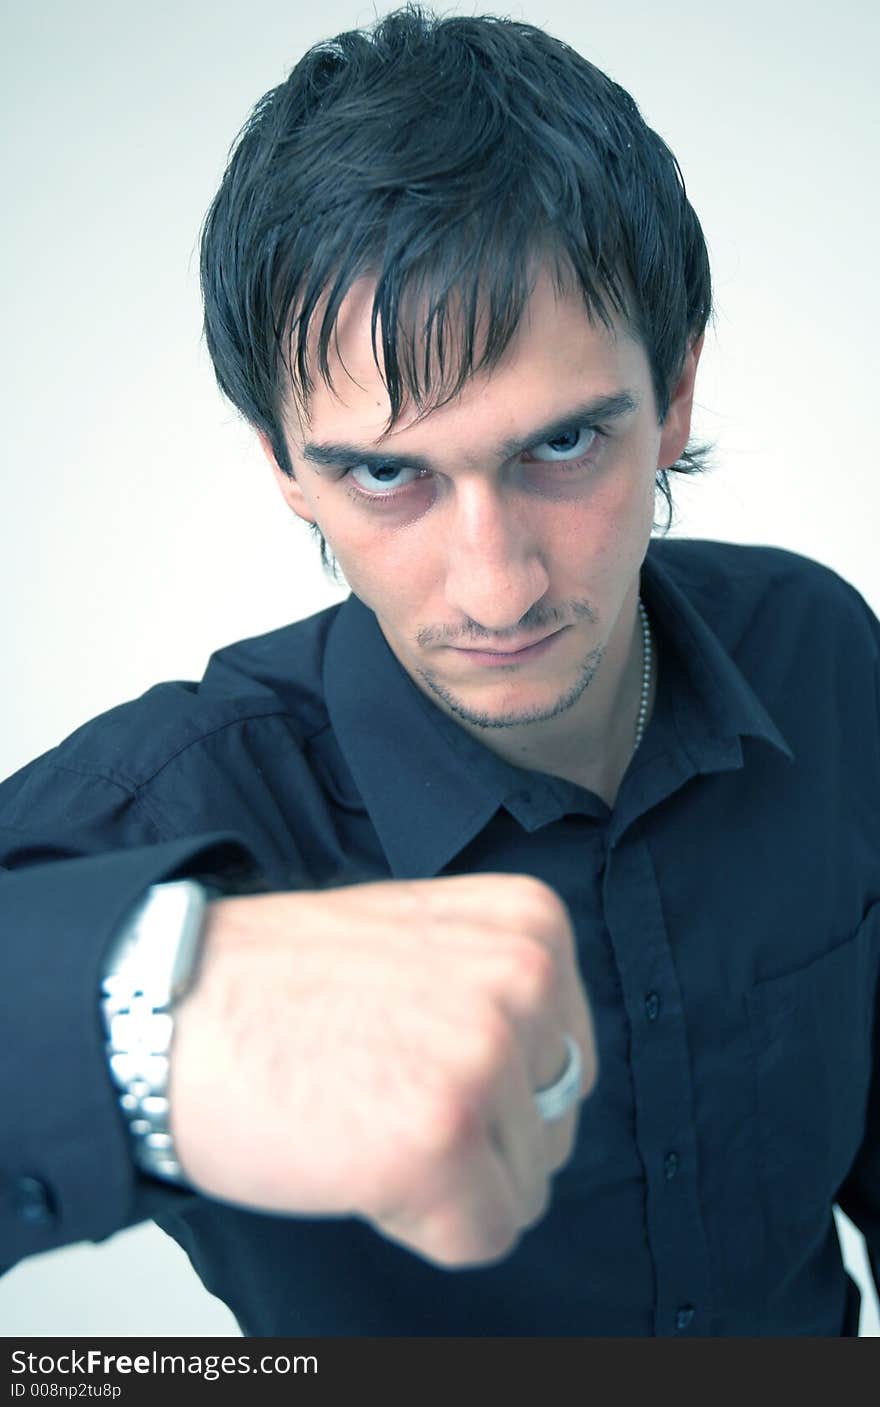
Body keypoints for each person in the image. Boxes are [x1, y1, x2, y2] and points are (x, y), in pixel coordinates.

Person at [2, 4, 878, 1337]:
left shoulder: (818, 648)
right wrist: (140, 1027)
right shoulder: (183, 799)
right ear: (287, 470)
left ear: (678, 391)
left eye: (565, 445)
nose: (497, 585)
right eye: (387, 473)